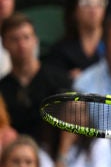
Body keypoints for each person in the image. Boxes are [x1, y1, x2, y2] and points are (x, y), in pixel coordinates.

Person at [0, 13, 70, 146]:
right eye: (14, 39)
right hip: (17, 157)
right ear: (4, 43)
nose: (21, 45)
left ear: (35, 40)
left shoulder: (58, 79)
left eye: (26, 37)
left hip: (56, 155)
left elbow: (73, 121)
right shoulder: (2, 89)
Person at [44, 0, 107, 81]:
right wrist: (68, 78)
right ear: (74, 10)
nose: (93, 9)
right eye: (86, 3)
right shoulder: (61, 50)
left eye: (100, 2)